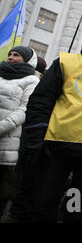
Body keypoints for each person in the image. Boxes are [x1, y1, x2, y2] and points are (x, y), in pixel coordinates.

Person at [21, 20, 82, 222]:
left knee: (78, 211)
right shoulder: (65, 62)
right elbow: (41, 100)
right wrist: (37, 135)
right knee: (42, 205)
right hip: (56, 148)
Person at [0, 46, 40, 217]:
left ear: (28, 60)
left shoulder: (31, 80)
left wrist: (2, 127)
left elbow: (24, 110)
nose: (11, 57)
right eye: (10, 54)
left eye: (16, 55)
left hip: (7, 141)